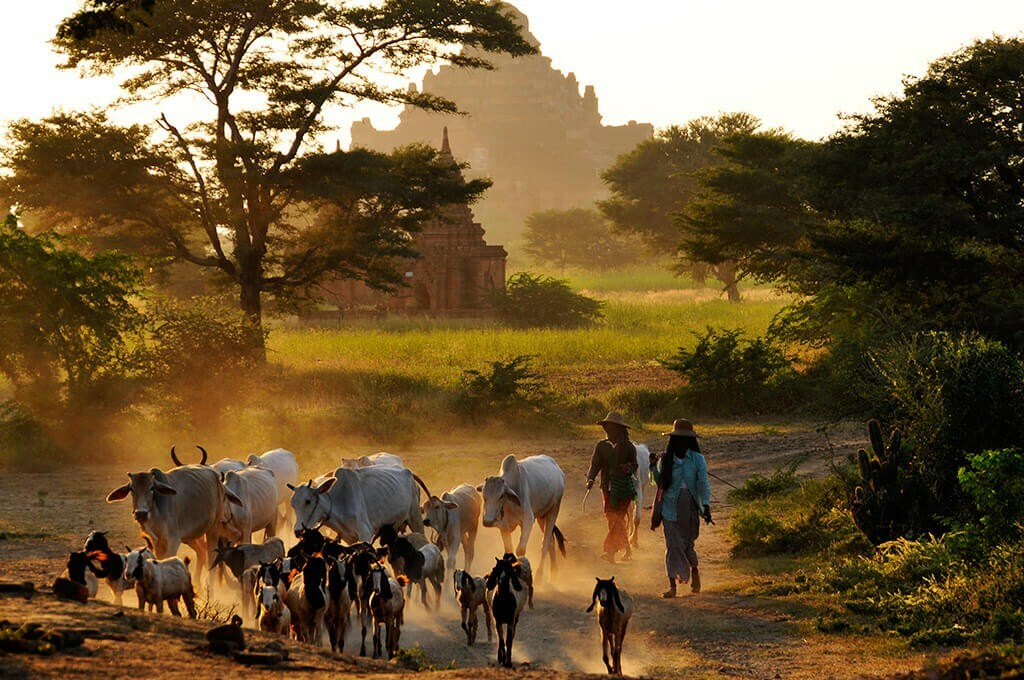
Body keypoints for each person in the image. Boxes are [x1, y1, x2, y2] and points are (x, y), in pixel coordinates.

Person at [652, 418, 712, 598]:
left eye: (685, 439)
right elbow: (659, 483)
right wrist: (653, 467)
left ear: (690, 441)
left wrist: (706, 506)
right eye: (678, 438)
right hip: (669, 507)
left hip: (690, 507)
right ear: (673, 440)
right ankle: (672, 586)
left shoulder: (698, 459)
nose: (681, 442)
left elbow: (703, 484)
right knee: (672, 546)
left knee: (687, 546)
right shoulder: (666, 459)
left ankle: (694, 570)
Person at [586, 411, 638, 563]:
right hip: (607, 487)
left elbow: (635, 465)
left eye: (611, 427)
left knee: (616, 519)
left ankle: (610, 552)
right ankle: (626, 549)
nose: (608, 429)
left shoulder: (628, 447)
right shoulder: (601, 446)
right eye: (607, 426)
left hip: (624, 488)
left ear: (619, 429)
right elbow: (595, 465)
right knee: (614, 519)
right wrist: (590, 478)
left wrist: (627, 468)